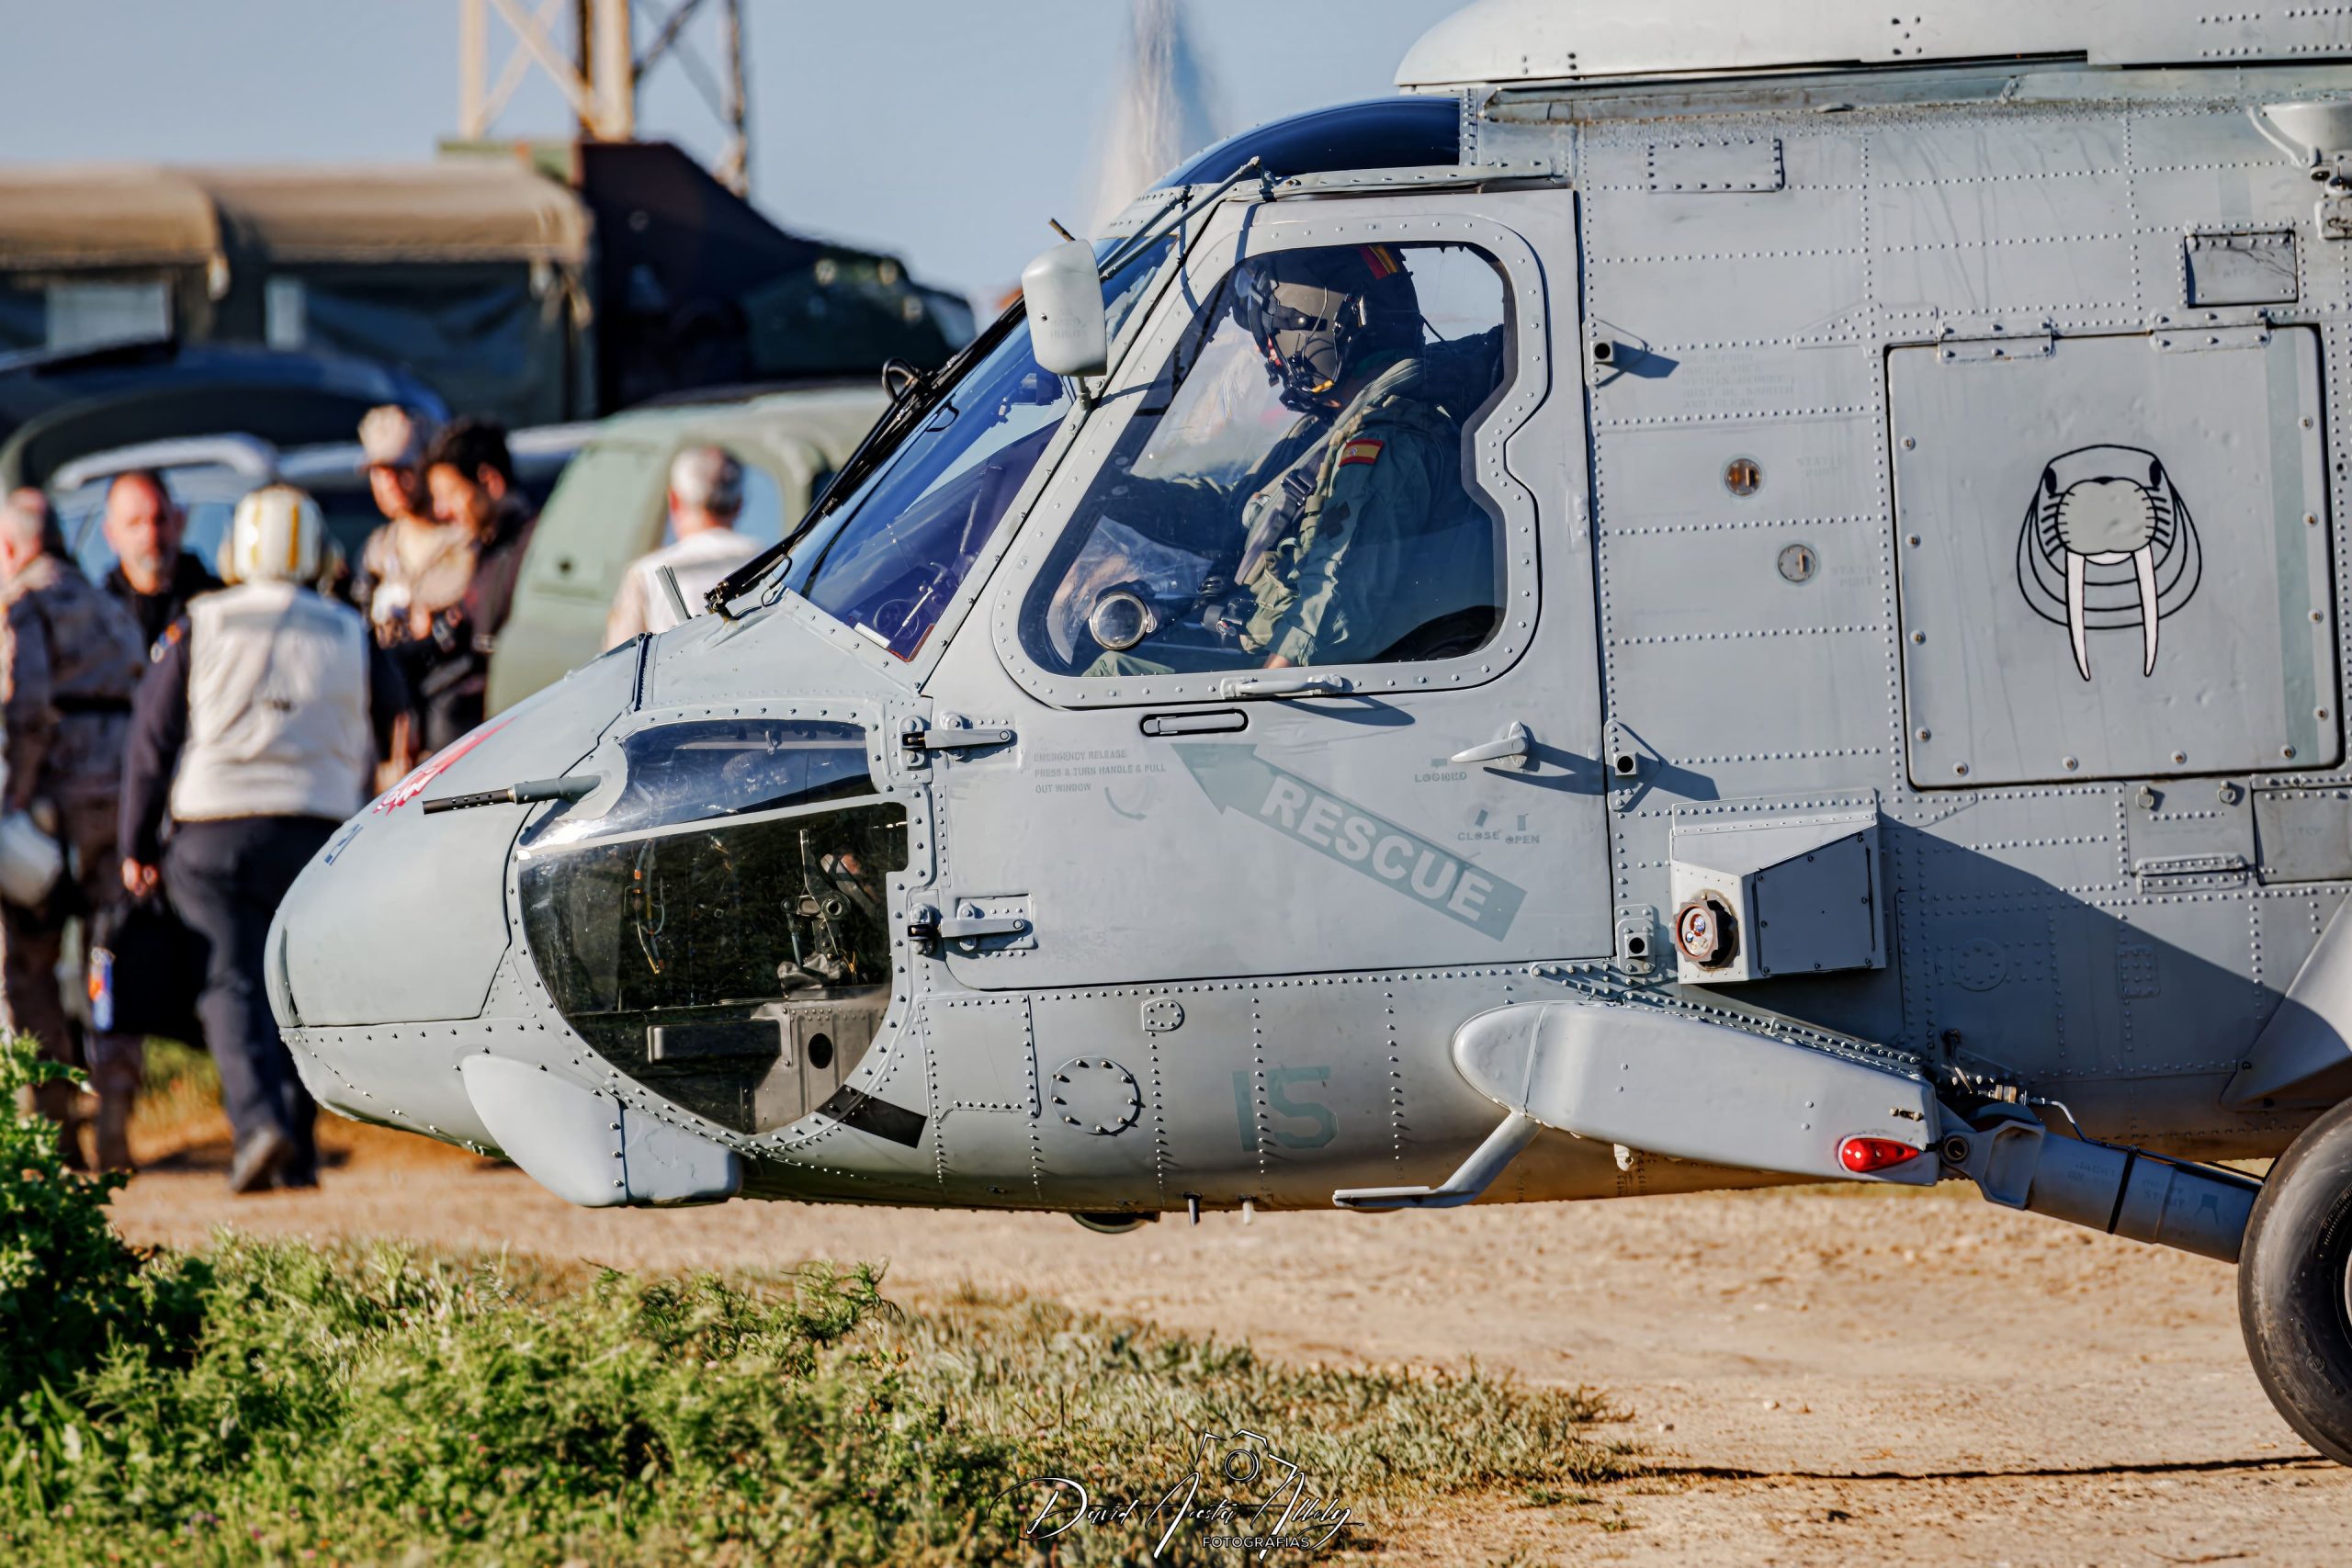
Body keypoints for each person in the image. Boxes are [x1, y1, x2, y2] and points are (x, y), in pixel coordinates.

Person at [120, 485, 405, 1194]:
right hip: (319, 828)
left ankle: (257, 1126)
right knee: (300, 986)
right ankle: (298, 1146)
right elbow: (398, 716)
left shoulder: (202, 621)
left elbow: (151, 743)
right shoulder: (349, 628)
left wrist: (136, 842)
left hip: (213, 830)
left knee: (230, 979)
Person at [1076, 243, 1498, 677]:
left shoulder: (1387, 444)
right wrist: (1115, 495)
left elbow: (1333, 605)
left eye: (1272, 339)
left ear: (1312, 333)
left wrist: (1266, 685)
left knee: (1112, 673)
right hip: (1257, 644)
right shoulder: (1328, 429)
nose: (1271, 357)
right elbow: (1236, 517)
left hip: (1284, 676)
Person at [0, 490, 149, 1170]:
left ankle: (53, 1127)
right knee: (108, 958)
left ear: (11, 547)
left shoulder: (23, 603)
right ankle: (115, 1113)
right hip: (117, 808)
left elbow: (25, 704)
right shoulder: (109, 605)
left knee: (28, 963)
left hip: (51, 811)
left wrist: (17, 793)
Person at [350, 406, 472, 762]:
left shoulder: (467, 545)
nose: (390, 482)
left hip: (454, 737)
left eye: (402, 469)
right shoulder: (375, 554)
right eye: (378, 472)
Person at [419, 418, 536, 745]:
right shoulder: (487, 548)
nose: (441, 511)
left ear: (489, 480)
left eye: (450, 494)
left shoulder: (531, 548)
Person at [604, 446, 761, 648]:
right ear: (739, 504)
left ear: (674, 500)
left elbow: (620, 659)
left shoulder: (645, 574)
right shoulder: (775, 561)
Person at [101, 469, 222, 654]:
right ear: (111, 534)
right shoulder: (96, 619)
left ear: (179, 521)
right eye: (134, 523)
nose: (150, 535)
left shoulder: (217, 604)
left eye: (160, 520)